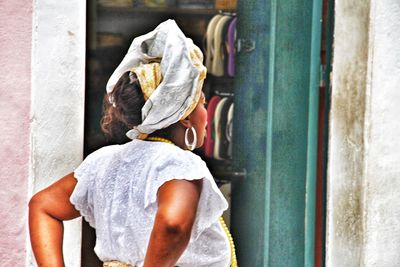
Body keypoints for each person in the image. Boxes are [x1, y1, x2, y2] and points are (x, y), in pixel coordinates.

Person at [29, 20, 237, 267]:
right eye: (202, 102)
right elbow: (173, 223)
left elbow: (43, 206)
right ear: (185, 116)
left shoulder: (104, 162)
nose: (206, 113)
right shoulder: (177, 163)